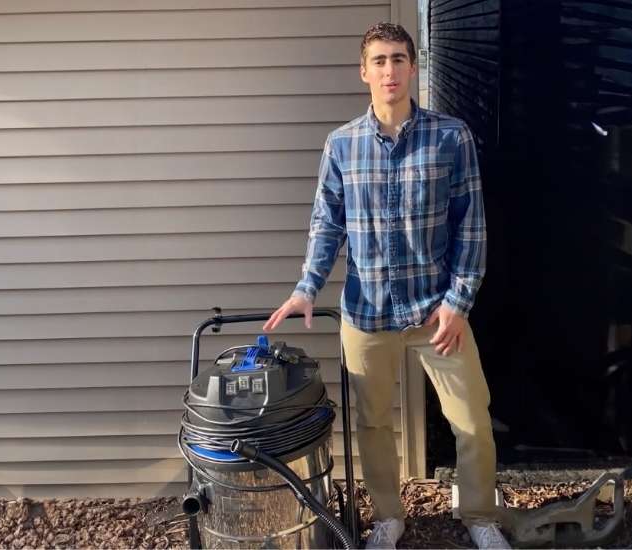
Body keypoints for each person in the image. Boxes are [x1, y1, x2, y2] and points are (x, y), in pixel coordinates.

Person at [262, 22, 509, 550]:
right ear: (364, 71)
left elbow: (472, 224)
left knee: (472, 419)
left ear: (413, 68)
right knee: (373, 424)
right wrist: (308, 286)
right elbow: (326, 223)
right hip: (366, 311)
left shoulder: (451, 136)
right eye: (379, 60)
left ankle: (479, 515)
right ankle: (389, 517)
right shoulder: (342, 144)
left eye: (399, 59)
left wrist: (459, 303)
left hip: (437, 313)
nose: (389, 70)